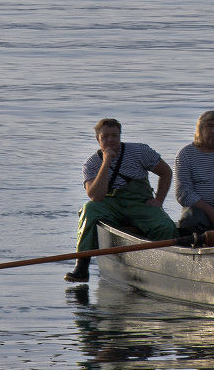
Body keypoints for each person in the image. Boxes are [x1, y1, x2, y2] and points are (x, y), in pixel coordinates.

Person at [65, 118, 177, 282]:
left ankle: (168, 266)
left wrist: (159, 200)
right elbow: (96, 196)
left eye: (114, 136)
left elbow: (166, 172)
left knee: (165, 227)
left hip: (140, 203)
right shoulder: (91, 164)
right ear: (98, 139)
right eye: (105, 137)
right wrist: (106, 162)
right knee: (89, 209)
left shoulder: (140, 151)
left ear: (120, 136)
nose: (110, 140)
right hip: (110, 204)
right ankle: (81, 267)